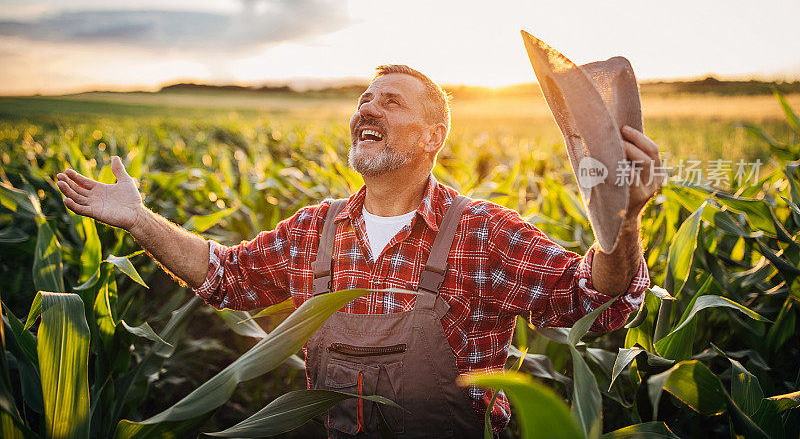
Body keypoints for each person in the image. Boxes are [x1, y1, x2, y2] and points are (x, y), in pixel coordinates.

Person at [57, 64, 658, 437]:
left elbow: (592, 302)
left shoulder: (481, 232)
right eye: (365, 100)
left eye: (392, 102)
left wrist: (622, 225)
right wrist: (138, 220)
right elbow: (226, 277)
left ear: (432, 138)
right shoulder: (317, 230)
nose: (368, 109)